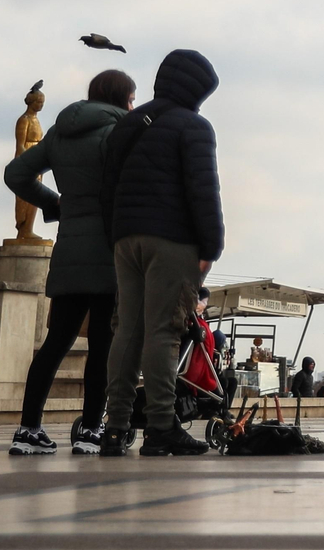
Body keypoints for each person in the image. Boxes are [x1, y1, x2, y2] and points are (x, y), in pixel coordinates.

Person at [98, 49, 223, 458]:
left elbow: (108, 188)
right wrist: (211, 246)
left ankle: (115, 428)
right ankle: (160, 426)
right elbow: (203, 192)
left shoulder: (129, 124)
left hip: (125, 239)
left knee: (127, 332)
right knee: (163, 332)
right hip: (172, 241)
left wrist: (113, 236)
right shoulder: (195, 126)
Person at [5, 69, 134, 457]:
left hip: (69, 254)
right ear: (120, 98)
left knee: (54, 343)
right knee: (102, 346)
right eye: (131, 98)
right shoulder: (120, 132)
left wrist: (54, 203)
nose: (133, 105)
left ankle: (29, 430)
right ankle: (90, 430)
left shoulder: (61, 132)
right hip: (109, 254)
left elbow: (16, 173)